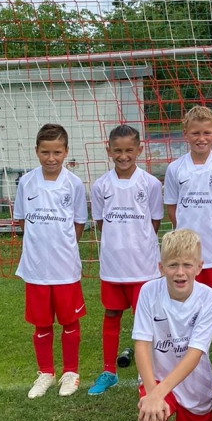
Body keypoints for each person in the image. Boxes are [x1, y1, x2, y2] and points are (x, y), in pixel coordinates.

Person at [132, 229, 212, 421]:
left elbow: (195, 354)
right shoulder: (148, 292)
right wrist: (152, 393)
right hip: (157, 379)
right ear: (161, 267)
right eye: (172, 265)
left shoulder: (209, 298)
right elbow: (142, 344)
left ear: (199, 267)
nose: (180, 272)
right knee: (151, 417)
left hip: (194, 384)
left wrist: (158, 393)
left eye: (187, 265)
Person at [164, 105, 212, 390]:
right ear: (185, 134)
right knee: (187, 310)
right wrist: (186, 241)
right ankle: (188, 366)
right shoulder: (175, 169)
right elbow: (172, 208)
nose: (201, 138)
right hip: (187, 258)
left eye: (207, 132)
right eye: (195, 133)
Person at [87, 124, 164, 394]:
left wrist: (136, 243)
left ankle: (147, 373)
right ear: (109, 151)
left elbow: (154, 221)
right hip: (113, 266)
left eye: (129, 150)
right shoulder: (100, 185)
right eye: (117, 150)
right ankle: (109, 371)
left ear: (139, 150)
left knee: (147, 320)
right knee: (111, 314)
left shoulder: (150, 184)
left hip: (143, 267)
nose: (123, 156)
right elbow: (101, 222)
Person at [14, 123, 88, 398]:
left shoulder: (74, 184)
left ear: (66, 151)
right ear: (37, 151)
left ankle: (71, 373)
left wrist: (62, 247)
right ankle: (46, 372)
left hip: (65, 267)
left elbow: (79, 223)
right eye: (45, 152)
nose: (51, 158)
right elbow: (22, 220)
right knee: (41, 323)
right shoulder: (26, 182)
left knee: (70, 322)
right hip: (36, 268)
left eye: (57, 152)